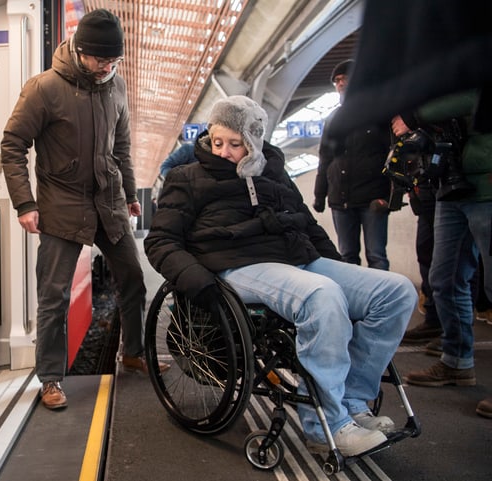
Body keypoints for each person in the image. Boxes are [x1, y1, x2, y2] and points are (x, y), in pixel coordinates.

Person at [145, 95, 417, 456]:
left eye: (235, 143)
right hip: (236, 266)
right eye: (217, 141)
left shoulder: (274, 172)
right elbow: (161, 240)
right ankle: (327, 427)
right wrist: (194, 277)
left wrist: (341, 268)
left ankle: (352, 402)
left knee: (395, 292)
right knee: (321, 296)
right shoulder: (187, 178)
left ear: (255, 142)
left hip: (296, 259)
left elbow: (307, 225)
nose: (223, 151)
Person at [1, 8, 154, 410]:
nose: (107, 68)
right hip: (61, 204)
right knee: (53, 297)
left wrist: (132, 193)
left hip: (109, 201)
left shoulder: (116, 86)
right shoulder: (44, 88)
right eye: (100, 60)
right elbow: (13, 145)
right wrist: (25, 203)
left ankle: (134, 353)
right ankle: (50, 379)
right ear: (80, 50)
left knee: (134, 277)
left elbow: (121, 147)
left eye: (113, 61)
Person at [400, 90, 492, 420]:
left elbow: (477, 97)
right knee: (444, 279)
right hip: (451, 185)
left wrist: (415, 115)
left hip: (487, 183)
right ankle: (456, 362)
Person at [313, 60, 393, 270]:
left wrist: (392, 194)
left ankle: (382, 300)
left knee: (376, 255)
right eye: (337, 81)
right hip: (340, 199)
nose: (340, 83)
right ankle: (357, 302)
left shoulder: (378, 112)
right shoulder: (333, 119)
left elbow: (393, 151)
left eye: (344, 78)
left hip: (373, 198)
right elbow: (325, 158)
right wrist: (320, 195)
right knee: (347, 258)